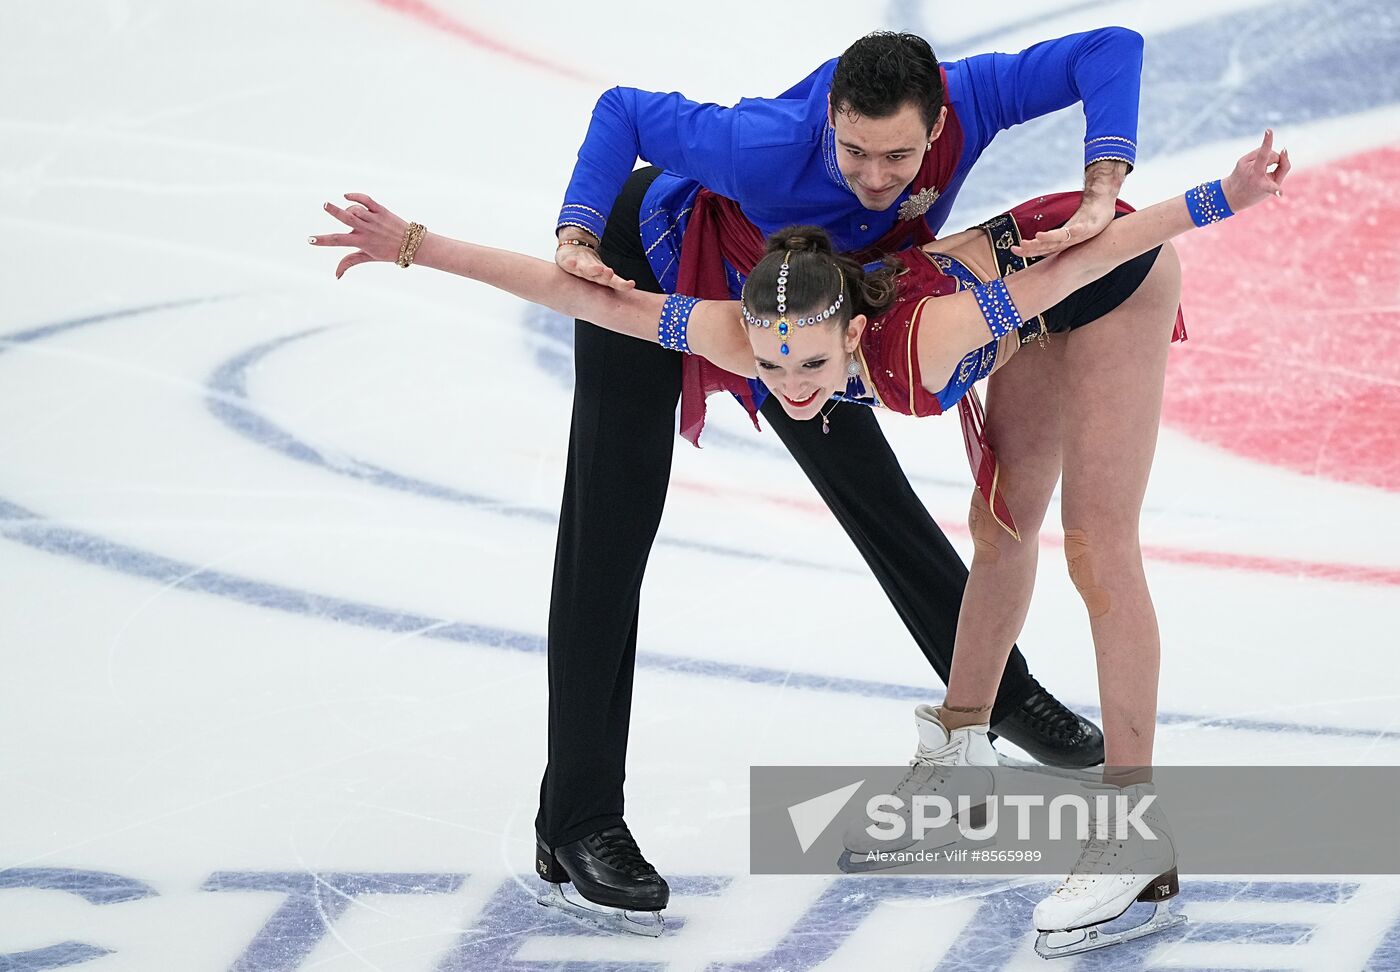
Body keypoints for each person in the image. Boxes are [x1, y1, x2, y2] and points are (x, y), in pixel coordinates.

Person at [308, 129, 1290, 954]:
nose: (790, 388)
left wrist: (1219, 198)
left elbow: (1078, 266)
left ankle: (1133, 842)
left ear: (855, 337)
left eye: (812, 363)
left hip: (1104, 272)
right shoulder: (751, 333)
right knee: (1000, 529)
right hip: (1022, 277)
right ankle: (959, 748)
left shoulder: (930, 337)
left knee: (1094, 549)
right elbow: (594, 299)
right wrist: (417, 245)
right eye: (773, 364)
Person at [533, 27, 1146, 929]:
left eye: (898, 156)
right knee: (611, 529)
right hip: (660, 271)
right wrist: (579, 231)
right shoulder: (767, 146)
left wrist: (1104, 184)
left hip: (807, 316)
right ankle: (576, 817)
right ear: (829, 121)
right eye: (853, 151)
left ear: (939, 123)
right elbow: (624, 110)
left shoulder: (970, 98)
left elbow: (1112, 48)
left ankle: (992, 693)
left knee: (872, 486)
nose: (873, 175)